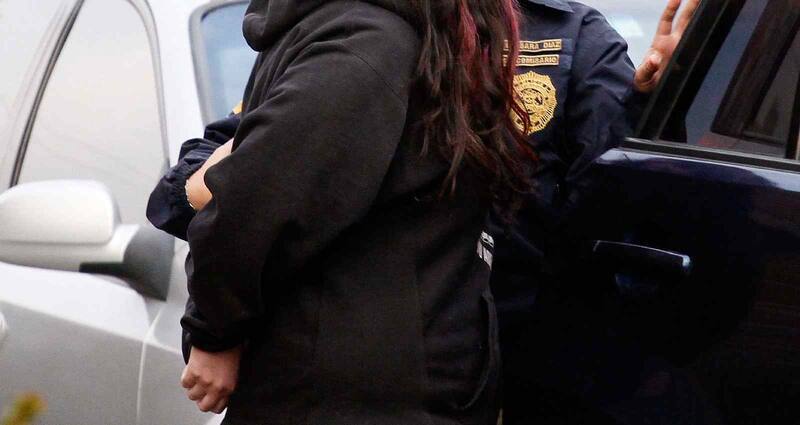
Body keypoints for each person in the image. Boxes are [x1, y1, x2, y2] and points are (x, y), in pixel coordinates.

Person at [147, 0, 532, 423]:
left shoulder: (371, 41)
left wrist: (213, 331)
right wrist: (214, 329)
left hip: (357, 389)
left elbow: (254, 203)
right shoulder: (375, 37)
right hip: (367, 384)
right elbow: (256, 194)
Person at [492, 0, 701, 424]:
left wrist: (654, 99)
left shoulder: (577, 34)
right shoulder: (407, 24)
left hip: (518, 333)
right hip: (398, 317)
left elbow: (612, 186)